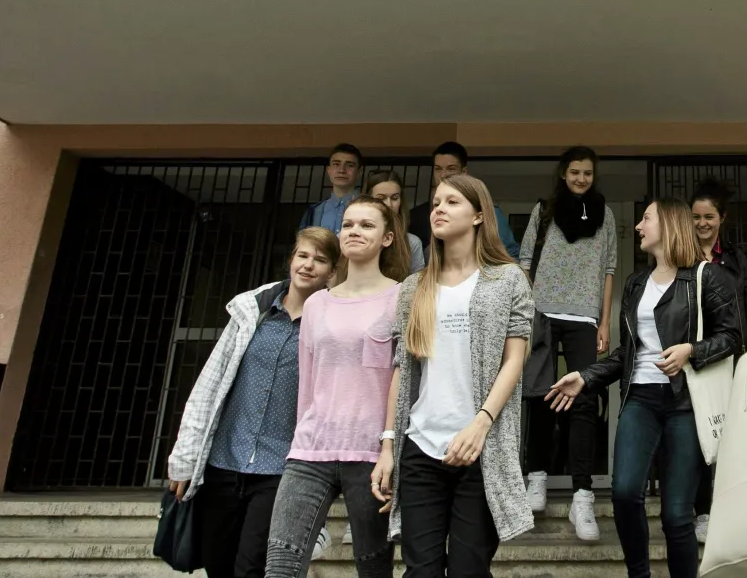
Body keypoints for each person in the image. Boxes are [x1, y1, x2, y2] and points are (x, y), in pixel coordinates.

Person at [547, 199, 740, 578]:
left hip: (685, 402)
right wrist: (586, 376)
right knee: (624, 493)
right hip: (640, 399)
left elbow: (733, 336)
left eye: (646, 219)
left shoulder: (706, 277)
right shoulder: (636, 283)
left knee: (676, 513)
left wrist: (691, 351)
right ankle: (640, 574)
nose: (638, 226)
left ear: (667, 225)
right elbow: (628, 353)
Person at [369, 174, 535, 577]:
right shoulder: (414, 287)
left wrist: (481, 423)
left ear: (479, 215)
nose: (438, 209)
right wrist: (389, 446)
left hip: (481, 449)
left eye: (452, 202)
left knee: (468, 568)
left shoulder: (507, 279)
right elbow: (403, 371)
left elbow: (515, 360)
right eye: (436, 202)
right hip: (421, 447)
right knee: (420, 570)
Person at [165, 228, 339, 578]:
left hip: (280, 470)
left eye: (319, 260)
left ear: (332, 272)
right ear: (291, 259)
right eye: (303, 256)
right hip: (224, 462)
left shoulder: (330, 325)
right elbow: (208, 387)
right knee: (218, 564)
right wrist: (184, 459)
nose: (308, 265)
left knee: (252, 567)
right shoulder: (251, 314)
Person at [263, 197, 408, 578]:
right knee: (280, 565)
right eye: (348, 225)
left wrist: (390, 447)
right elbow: (307, 382)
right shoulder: (317, 304)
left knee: (373, 567)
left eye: (366, 225)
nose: (354, 231)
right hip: (311, 450)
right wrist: (299, 436)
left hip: (370, 454)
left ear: (388, 238)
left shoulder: (402, 297)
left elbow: (402, 376)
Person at [520, 146, 617, 539]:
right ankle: (537, 477)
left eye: (587, 173)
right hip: (542, 313)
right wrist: (525, 313)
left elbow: (609, 268)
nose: (581, 179)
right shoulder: (543, 210)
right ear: (563, 173)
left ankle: (582, 496)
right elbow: (525, 261)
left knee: (583, 402)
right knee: (540, 395)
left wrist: (605, 322)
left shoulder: (606, 214)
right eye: (575, 172)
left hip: (584, 317)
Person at [687, 178, 747, 543]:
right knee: (702, 437)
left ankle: (732, 507)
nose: (702, 223)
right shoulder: (680, 256)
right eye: (696, 216)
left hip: (732, 355)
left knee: (731, 436)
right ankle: (702, 512)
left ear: (722, 219)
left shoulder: (735, 259)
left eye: (709, 217)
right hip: (694, 359)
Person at [408, 142, 520, 261]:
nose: (443, 175)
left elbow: (509, 253)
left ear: (463, 172)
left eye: (451, 168)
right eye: (438, 169)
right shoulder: (418, 215)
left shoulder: (486, 210)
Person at [367, 168, 427, 272]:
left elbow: (417, 285)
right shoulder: (352, 236)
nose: (389, 204)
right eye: (381, 198)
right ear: (368, 200)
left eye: (394, 198)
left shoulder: (412, 243)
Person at [300, 143, 362, 233]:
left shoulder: (371, 207)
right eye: (336, 164)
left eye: (350, 165)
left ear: (360, 172)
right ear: (329, 170)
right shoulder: (314, 211)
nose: (342, 170)